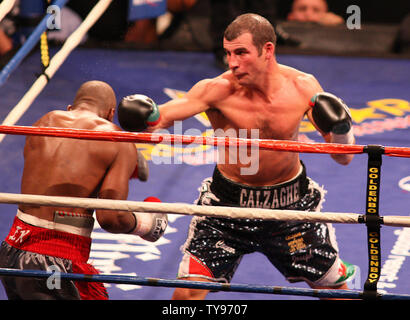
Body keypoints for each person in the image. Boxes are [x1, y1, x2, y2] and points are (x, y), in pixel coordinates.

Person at [117, 13, 356, 300]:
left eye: (241, 53)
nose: (232, 63)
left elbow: (343, 157)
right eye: (228, 53)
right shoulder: (217, 90)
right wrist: (147, 114)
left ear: (267, 50)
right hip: (227, 207)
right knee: (186, 295)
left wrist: (341, 129)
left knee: (338, 293)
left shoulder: (303, 87)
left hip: (291, 207)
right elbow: (161, 119)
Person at [0, 80, 168, 300]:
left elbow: (63, 165)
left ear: (72, 107)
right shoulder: (114, 139)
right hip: (55, 260)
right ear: (110, 113)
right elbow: (111, 217)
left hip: (12, 250)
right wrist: (146, 224)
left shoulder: (44, 121)